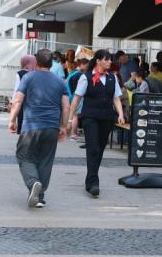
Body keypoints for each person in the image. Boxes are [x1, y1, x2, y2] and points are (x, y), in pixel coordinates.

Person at [8, 48, 70, 208]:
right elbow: (66, 106)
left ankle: (33, 182)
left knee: (24, 156)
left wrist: (12, 120)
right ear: (51, 63)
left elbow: (18, 100)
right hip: (52, 127)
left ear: (37, 62)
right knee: (45, 160)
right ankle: (39, 197)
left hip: (31, 125)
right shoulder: (60, 81)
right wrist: (63, 126)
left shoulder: (28, 77)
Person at [69, 49, 125, 198]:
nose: (109, 62)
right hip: (90, 117)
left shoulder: (113, 78)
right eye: (106, 59)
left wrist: (120, 114)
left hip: (106, 117)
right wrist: (70, 118)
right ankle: (93, 183)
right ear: (99, 61)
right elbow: (76, 98)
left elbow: (116, 98)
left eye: (110, 59)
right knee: (93, 147)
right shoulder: (86, 77)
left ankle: (91, 179)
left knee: (99, 149)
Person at [12, 54, 36, 134]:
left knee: (21, 119)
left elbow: (17, 89)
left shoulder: (19, 73)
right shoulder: (36, 73)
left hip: (22, 100)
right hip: (34, 100)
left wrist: (13, 102)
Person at [67, 57, 89, 140]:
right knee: (75, 116)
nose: (87, 68)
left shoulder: (72, 72)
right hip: (75, 96)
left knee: (73, 114)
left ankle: (72, 132)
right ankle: (73, 133)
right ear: (82, 65)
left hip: (70, 96)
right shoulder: (79, 75)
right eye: (86, 65)